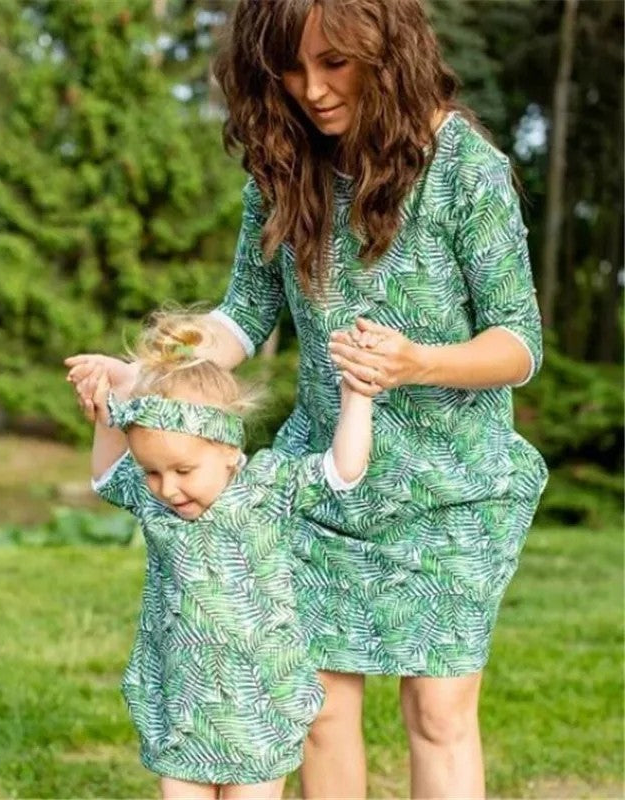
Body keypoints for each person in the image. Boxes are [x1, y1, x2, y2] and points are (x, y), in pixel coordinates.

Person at [68, 1, 549, 796]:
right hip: (320, 482)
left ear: (387, 51)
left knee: (437, 710)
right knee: (320, 708)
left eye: (335, 63)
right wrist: (152, 368)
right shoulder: (285, 168)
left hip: (454, 488)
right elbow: (241, 317)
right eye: (290, 68)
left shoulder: (467, 171)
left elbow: (518, 345)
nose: (312, 89)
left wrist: (414, 361)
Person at [67, 312, 382, 799]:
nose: (167, 488)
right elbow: (109, 477)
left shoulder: (266, 489)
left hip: (259, 703)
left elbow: (342, 470)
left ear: (229, 450)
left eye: (183, 469)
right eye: (152, 471)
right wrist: (108, 410)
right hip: (185, 704)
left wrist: (356, 398)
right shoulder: (156, 501)